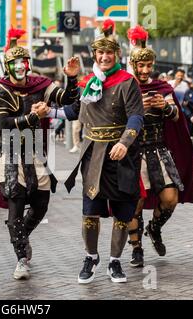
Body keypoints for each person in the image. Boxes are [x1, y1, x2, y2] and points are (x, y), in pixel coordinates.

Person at [0, 27, 79, 281]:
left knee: (41, 206)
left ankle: (22, 235)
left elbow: (67, 99)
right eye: (15, 63)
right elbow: (3, 124)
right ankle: (21, 258)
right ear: (8, 66)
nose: (20, 67)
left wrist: (72, 79)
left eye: (24, 62)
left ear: (28, 64)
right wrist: (33, 116)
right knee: (15, 207)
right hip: (10, 154)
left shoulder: (41, 84)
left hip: (36, 153)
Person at [62, 19, 144, 283]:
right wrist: (71, 79)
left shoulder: (127, 81)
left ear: (117, 55)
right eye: (100, 53)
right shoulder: (89, 82)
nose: (105, 57)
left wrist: (124, 142)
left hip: (122, 155)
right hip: (93, 155)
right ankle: (91, 257)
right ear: (95, 55)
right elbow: (73, 109)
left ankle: (115, 261)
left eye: (110, 52)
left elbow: (136, 117)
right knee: (90, 211)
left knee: (123, 212)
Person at [125, 25, 193, 267]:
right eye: (141, 66)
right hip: (133, 151)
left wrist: (164, 107)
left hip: (158, 150)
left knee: (170, 197)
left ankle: (154, 229)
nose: (145, 70)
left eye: (148, 65)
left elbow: (176, 116)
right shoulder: (125, 87)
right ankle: (136, 248)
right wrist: (137, 110)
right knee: (135, 202)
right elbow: (111, 118)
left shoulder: (163, 88)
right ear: (133, 65)